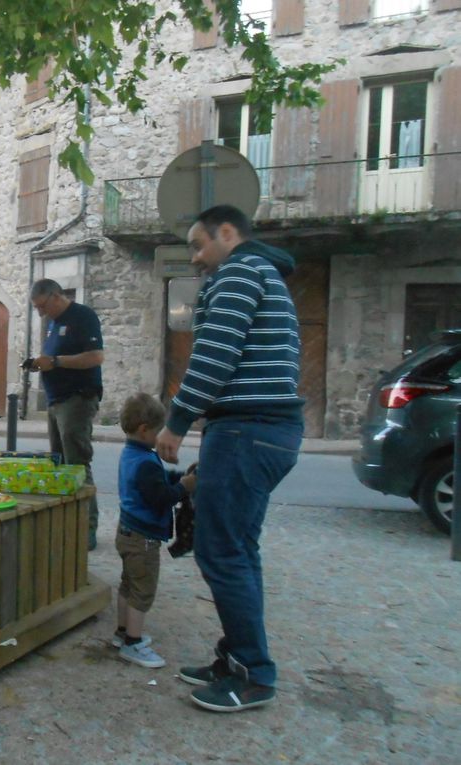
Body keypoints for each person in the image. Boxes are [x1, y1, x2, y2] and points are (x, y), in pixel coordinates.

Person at [156, 205, 303, 712]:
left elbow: (214, 355)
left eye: (199, 245)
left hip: (246, 429)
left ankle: (253, 674)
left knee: (221, 553)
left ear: (227, 232)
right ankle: (236, 657)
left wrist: (176, 421)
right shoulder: (267, 274)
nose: (196, 259)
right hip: (266, 430)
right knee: (238, 551)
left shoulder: (240, 271)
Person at [113, 392, 196, 668]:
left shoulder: (132, 454)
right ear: (144, 430)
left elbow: (155, 485)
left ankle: (123, 633)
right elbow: (160, 496)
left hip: (126, 532)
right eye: (159, 431)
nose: (162, 437)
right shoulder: (146, 463)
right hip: (142, 539)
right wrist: (184, 487)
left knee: (128, 585)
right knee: (142, 591)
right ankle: (133, 644)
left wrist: (177, 479)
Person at [28, 278, 104, 550]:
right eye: (36, 308)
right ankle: (67, 524)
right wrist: (42, 364)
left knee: (77, 463)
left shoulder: (83, 316)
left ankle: (87, 530)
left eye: (42, 306)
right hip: (56, 400)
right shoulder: (52, 323)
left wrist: (57, 362)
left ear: (55, 296)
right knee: (60, 465)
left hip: (77, 398)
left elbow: (96, 357)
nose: (40, 313)